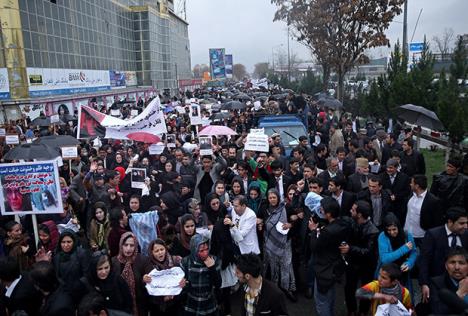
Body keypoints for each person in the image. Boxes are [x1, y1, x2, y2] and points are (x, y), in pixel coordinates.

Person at [308, 197, 352, 316]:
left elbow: (314, 247)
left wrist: (313, 231)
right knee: (330, 298)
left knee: (321, 302)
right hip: (335, 266)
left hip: (324, 269)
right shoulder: (343, 224)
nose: (320, 211)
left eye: (322, 210)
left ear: (328, 213)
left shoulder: (327, 232)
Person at [419, 207, 468, 304]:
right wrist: (424, 283)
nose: (466, 226)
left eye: (467, 223)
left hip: (461, 282)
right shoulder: (433, 234)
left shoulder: (466, 235)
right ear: (450, 222)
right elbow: (424, 261)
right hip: (438, 284)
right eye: (462, 223)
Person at [341, 201, 379, 315]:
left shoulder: (373, 231)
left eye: (353, 210)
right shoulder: (353, 222)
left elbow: (368, 252)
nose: (350, 211)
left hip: (366, 265)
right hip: (353, 262)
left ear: (359, 214)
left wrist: (350, 249)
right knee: (349, 288)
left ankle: (363, 312)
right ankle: (351, 310)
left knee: (366, 290)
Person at [262, 189, 297, 301]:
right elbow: (260, 221)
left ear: (278, 197)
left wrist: (291, 225)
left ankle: (287, 289)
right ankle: (275, 290)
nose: (272, 200)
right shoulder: (264, 209)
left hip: (285, 242)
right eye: (270, 197)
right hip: (270, 243)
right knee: (274, 267)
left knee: (286, 266)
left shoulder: (286, 207)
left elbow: (296, 219)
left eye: (274, 197)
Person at [376, 213, 418, 295]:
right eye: (389, 230)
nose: (391, 232)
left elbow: (414, 252)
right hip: (387, 274)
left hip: (403, 274)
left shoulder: (407, 235)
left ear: (399, 227)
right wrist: (404, 249)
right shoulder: (383, 236)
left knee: (404, 299)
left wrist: (409, 263)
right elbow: (384, 259)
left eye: (394, 229)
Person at [180, 234, 222, 316]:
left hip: (209, 300)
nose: (205, 253)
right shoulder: (185, 262)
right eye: (201, 251)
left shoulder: (214, 260)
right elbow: (184, 286)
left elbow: (218, 284)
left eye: (207, 249)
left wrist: (212, 268)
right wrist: (184, 284)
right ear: (194, 250)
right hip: (191, 301)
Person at [111, 232, 149, 316]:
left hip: (140, 306)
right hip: (120, 305)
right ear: (121, 245)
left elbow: (150, 283)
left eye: (132, 245)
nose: (128, 249)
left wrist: (145, 280)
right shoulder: (113, 262)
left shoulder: (143, 260)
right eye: (125, 245)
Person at [143, 239, 183, 316]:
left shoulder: (174, 262)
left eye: (162, 249)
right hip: (157, 308)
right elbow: (147, 289)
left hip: (175, 305)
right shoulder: (148, 266)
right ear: (152, 253)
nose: (160, 252)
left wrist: (180, 286)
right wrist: (144, 279)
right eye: (156, 251)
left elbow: (181, 281)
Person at [52, 229, 90, 303]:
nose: (66, 245)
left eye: (69, 242)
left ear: (74, 241)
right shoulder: (57, 256)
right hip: (64, 292)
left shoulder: (81, 254)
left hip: (80, 292)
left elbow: (87, 274)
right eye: (63, 242)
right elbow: (56, 275)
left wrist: (77, 285)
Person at [430, 246, 468, 314]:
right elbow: (438, 311)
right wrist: (459, 293)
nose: (457, 267)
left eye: (461, 263)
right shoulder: (436, 283)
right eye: (452, 262)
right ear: (446, 266)